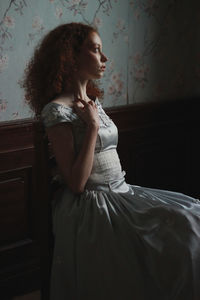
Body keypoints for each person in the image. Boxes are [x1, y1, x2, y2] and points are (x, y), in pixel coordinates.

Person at [22, 22, 200, 300]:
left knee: (192, 216)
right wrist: (92, 127)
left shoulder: (93, 103)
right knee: (184, 233)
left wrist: (93, 118)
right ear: (70, 56)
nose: (104, 59)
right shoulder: (56, 111)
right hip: (92, 204)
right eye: (95, 50)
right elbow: (77, 183)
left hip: (122, 192)